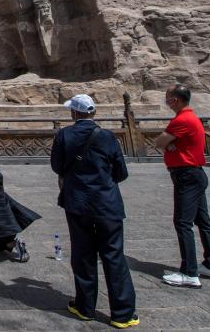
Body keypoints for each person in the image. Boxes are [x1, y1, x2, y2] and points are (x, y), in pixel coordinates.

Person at [52, 94, 139, 329]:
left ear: (74, 113)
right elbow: (121, 171)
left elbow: (57, 167)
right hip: (106, 203)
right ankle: (122, 314)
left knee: (82, 254)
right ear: (93, 113)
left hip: (77, 202)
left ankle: (85, 306)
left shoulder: (64, 135)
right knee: (114, 256)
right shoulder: (108, 136)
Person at [155, 84, 210, 288]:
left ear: (175, 100)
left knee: (183, 223)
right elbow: (166, 142)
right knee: (203, 221)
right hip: (195, 174)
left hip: (187, 175)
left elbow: (159, 142)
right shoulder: (190, 117)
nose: (166, 101)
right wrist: (170, 143)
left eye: (168, 98)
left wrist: (168, 143)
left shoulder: (182, 119)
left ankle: (190, 273)